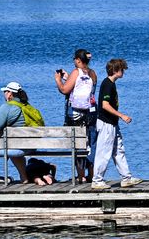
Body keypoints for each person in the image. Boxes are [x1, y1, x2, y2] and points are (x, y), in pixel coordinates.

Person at [90, 58, 141, 190]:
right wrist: (122, 115)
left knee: (119, 150)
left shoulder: (111, 84)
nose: (123, 71)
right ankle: (97, 180)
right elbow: (105, 105)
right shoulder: (107, 84)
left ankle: (126, 178)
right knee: (104, 152)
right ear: (114, 70)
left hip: (112, 123)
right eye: (121, 69)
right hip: (106, 123)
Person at [0, 82, 39, 185]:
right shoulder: (27, 106)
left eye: (5, 91)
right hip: (30, 146)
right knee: (13, 143)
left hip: (15, 148)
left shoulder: (8, 107)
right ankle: (24, 177)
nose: (4, 94)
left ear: (10, 93)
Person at [55, 48, 98, 182]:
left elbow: (64, 89)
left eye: (74, 59)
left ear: (78, 60)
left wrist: (58, 80)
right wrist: (67, 78)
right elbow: (83, 87)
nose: (74, 61)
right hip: (91, 113)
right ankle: (91, 175)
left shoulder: (76, 72)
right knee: (90, 144)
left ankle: (81, 176)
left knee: (78, 145)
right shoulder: (92, 73)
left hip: (76, 115)